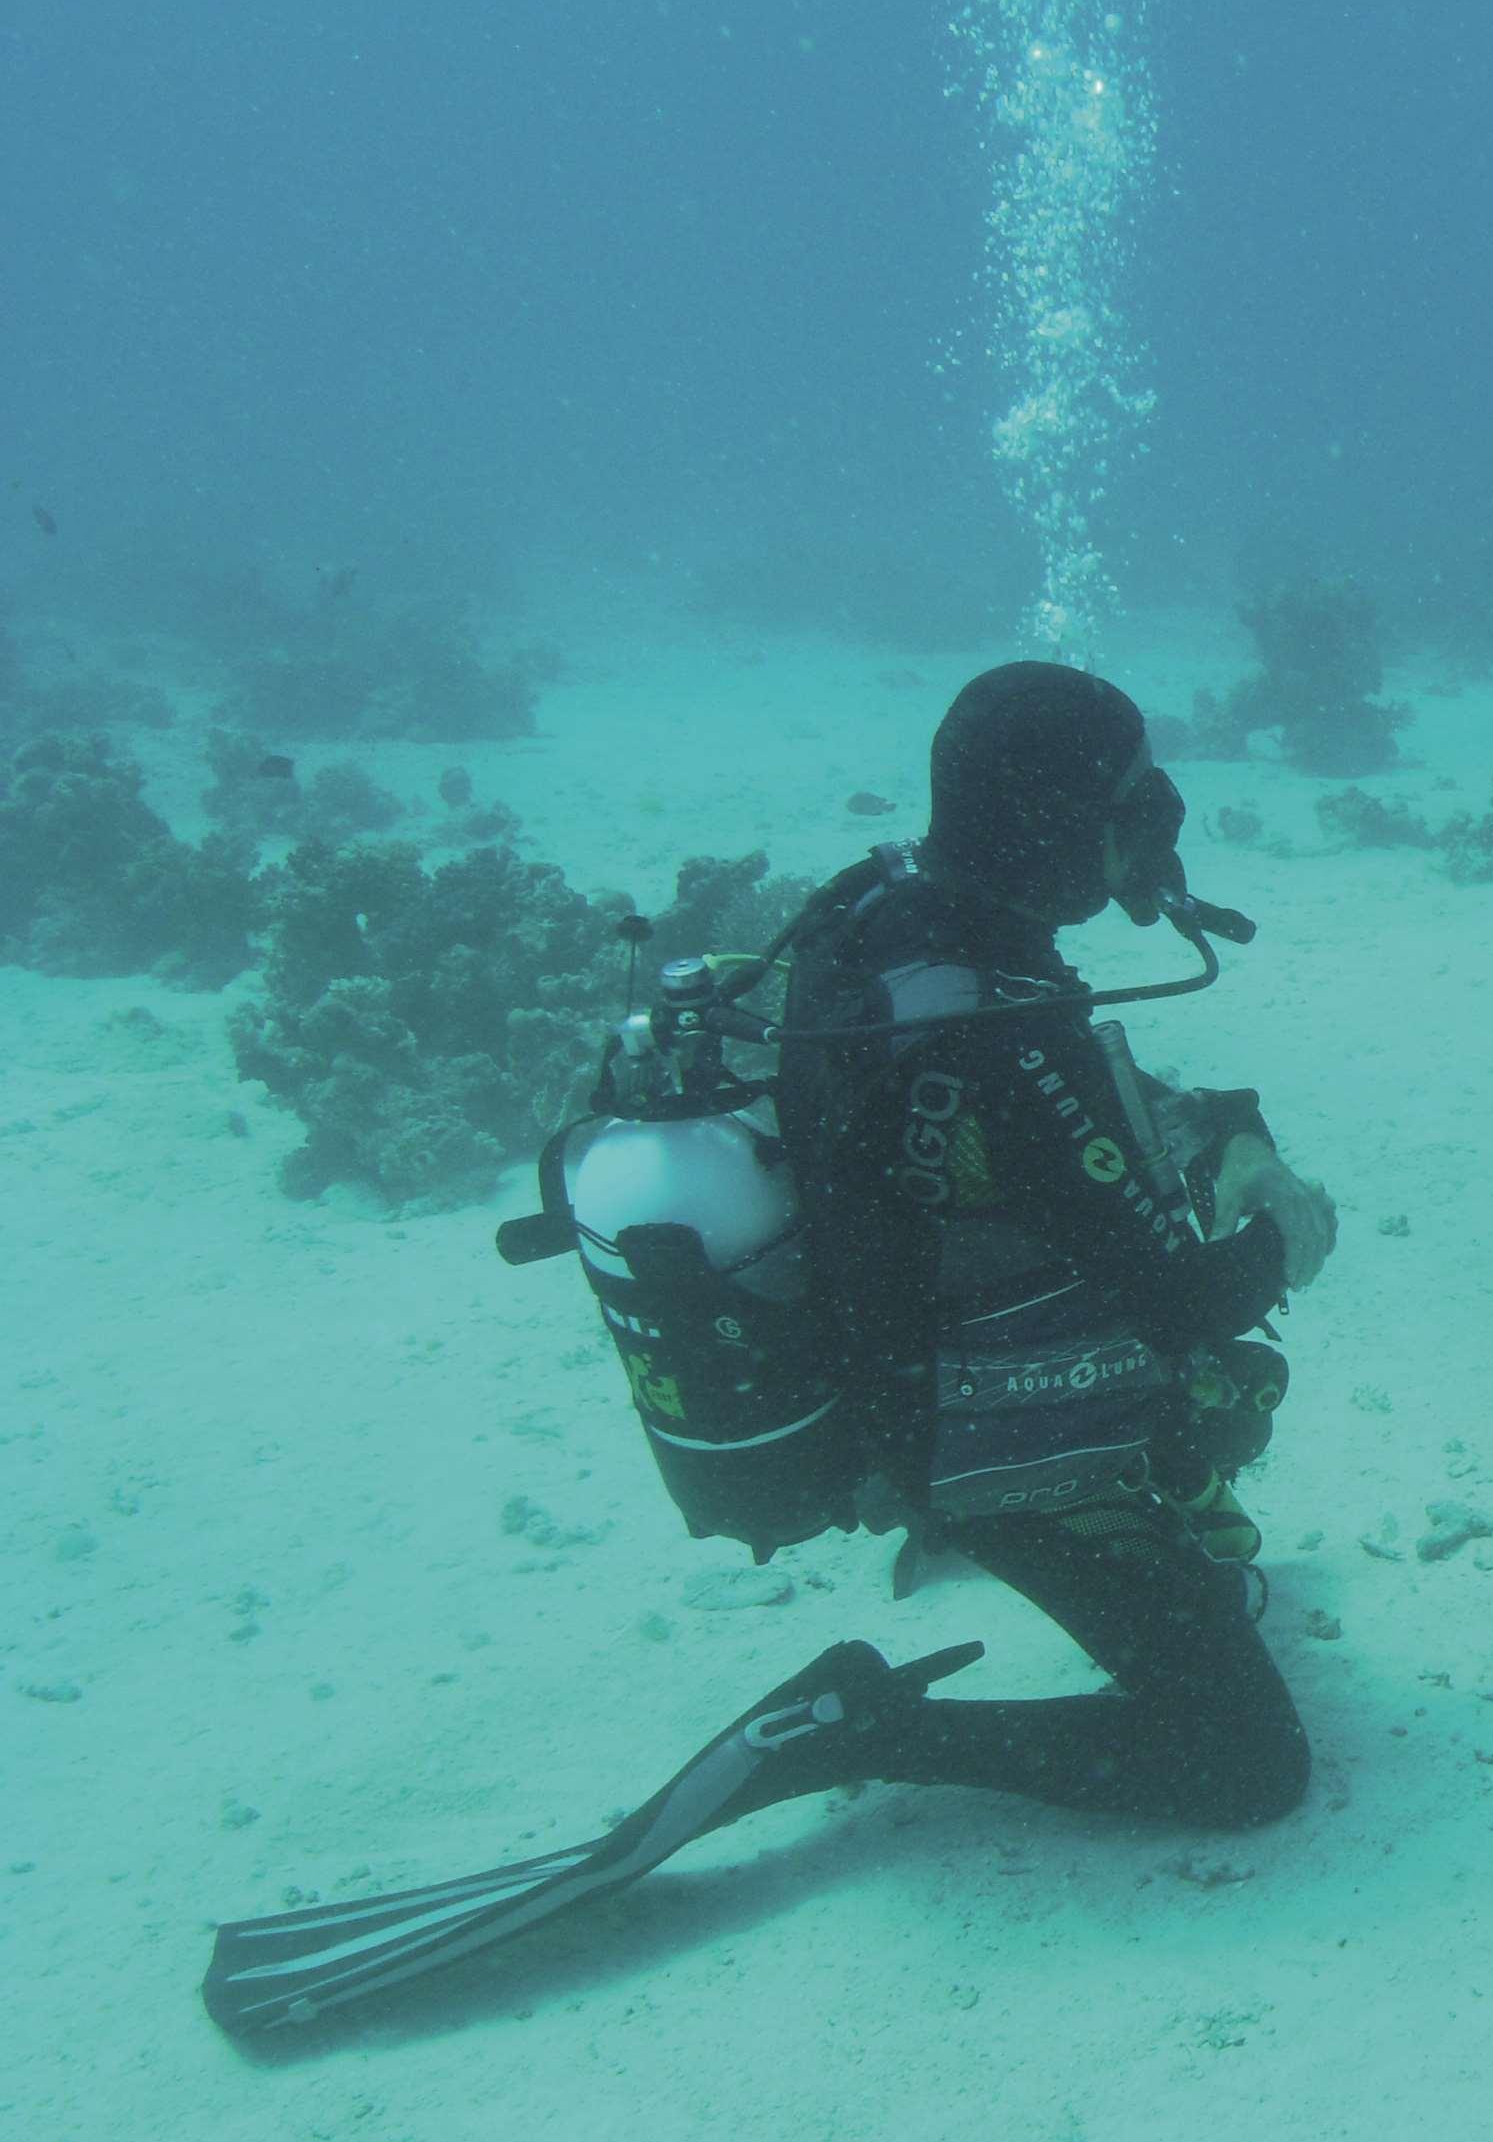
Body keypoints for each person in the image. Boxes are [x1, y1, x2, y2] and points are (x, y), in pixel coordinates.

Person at [206, 664, 1335, 2035]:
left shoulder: (887, 915)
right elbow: (1177, 1297)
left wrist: (1227, 1122)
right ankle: (872, 1732)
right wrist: (1289, 1228)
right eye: (1122, 803)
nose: (1146, 832)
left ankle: (1099, 1515)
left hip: (884, 1379)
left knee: (1208, 1489)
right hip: (972, 1435)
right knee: (1244, 1761)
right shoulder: (988, 1008)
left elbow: (1065, 1121)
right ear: (1050, 821)